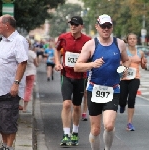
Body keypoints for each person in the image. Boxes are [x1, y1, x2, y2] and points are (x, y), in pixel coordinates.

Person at [74, 14, 130, 150]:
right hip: (94, 89)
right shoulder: (91, 44)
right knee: (95, 130)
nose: (106, 29)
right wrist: (92, 64)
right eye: (103, 26)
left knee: (109, 125)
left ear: (111, 27)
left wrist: (124, 69)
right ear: (97, 27)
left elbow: (126, 60)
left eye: (108, 26)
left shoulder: (119, 44)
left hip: (113, 89)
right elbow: (77, 66)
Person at [55, 16, 91, 146]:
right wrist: (58, 62)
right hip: (67, 75)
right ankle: (66, 134)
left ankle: (75, 133)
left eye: (76, 24)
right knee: (66, 104)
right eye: (71, 24)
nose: (73, 26)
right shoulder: (63, 37)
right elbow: (57, 49)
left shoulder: (88, 40)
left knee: (77, 106)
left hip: (81, 77)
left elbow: (92, 54)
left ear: (81, 26)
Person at [0, 14, 28, 150]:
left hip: (9, 89)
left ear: (6, 25)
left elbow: (22, 62)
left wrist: (16, 83)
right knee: (2, 122)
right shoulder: (3, 41)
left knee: (9, 121)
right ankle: (5, 145)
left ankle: (9, 147)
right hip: (0, 88)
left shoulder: (18, 40)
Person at [119, 33, 147, 131]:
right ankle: (122, 105)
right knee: (122, 99)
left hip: (135, 78)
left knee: (132, 98)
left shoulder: (141, 53)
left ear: (136, 40)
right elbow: (118, 64)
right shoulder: (123, 52)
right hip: (124, 78)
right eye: (130, 39)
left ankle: (129, 123)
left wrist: (144, 63)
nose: (132, 40)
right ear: (127, 40)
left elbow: (143, 67)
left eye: (134, 39)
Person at [23, 40, 38, 113]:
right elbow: (36, 64)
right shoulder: (32, 53)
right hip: (31, 73)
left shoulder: (21, 53)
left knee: (21, 89)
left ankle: (18, 106)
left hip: (22, 73)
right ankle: (25, 108)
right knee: (28, 89)